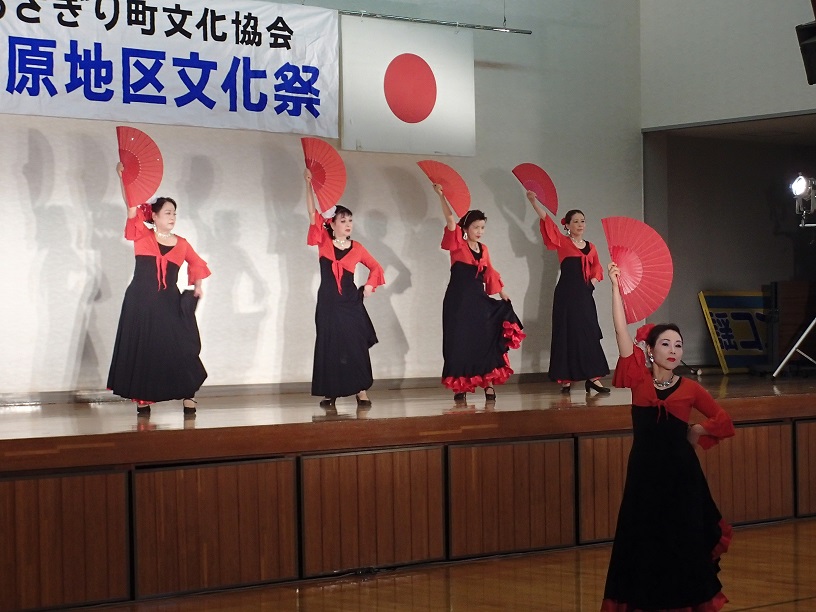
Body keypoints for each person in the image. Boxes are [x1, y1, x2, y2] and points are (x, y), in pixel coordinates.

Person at [600, 261, 735, 611]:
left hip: (682, 477)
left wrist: (699, 430)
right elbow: (619, 330)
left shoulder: (691, 388)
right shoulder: (639, 380)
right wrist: (614, 286)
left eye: (678, 345)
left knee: (682, 540)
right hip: (644, 476)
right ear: (650, 350)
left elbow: (723, 420)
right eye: (666, 344)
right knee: (642, 540)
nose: (674, 350)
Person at [108, 162, 211, 414]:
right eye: (167, 213)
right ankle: (143, 396)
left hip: (168, 301)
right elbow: (131, 207)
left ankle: (188, 393)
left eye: (174, 213)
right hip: (140, 299)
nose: (172, 217)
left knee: (179, 345)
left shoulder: (182, 243)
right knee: (145, 347)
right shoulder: (142, 235)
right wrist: (124, 179)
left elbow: (198, 263)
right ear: (154, 216)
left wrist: (197, 286)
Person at [435, 183, 525, 403]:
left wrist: (502, 293)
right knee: (459, 342)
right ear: (466, 228)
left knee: (484, 340)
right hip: (458, 301)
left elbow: (490, 272)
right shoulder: (457, 244)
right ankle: (461, 386)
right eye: (476, 227)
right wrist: (441, 196)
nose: (480, 231)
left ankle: (489, 384)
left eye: (482, 228)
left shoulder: (483, 249)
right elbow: (450, 221)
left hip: (478, 300)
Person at [304, 169, 385, 406]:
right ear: (332, 224)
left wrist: (369, 286)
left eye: (350, 220)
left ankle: (361, 390)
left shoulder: (357, 247)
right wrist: (309, 184)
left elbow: (376, 268)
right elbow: (312, 213)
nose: (348, 224)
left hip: (350, 303)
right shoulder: (323, 241)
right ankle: (332, 391)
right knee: (330, 344)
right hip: (328, 303)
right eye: (343, 220)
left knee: (354, 344)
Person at [526, 191, 609, 393]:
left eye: (582, 221)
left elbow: (597, 268)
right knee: (566, 333)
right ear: (568, 225)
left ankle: (593, 377)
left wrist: (592, 283)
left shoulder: (592, 247)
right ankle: (566, 379)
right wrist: (534, 202)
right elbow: (546, 220)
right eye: (576, 221)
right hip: (566, 295)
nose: (580, 224)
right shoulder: (563, 242)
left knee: (588, 333)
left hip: (585, 294)